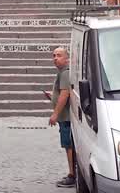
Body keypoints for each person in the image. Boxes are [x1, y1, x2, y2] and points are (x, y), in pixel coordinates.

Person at [44, 47, 76, 188]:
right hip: (65, 116)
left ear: (66, 58)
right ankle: (72, 173)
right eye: (54, 55)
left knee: (68, 146)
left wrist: (55, 114)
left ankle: (72, 175)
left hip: (66, 117)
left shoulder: (65, 73)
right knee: (68, 146)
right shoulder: (62, 73)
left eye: (59, 55)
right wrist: (52, 97)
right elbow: (61, 94)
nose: (55, 58)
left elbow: (65, 94)